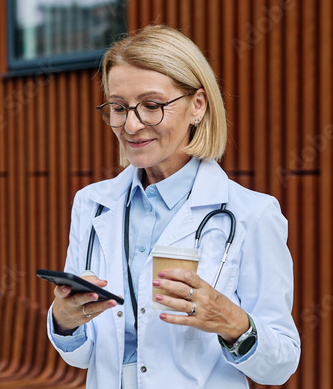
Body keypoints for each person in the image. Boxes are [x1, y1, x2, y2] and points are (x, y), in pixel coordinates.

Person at [47, 25, 300, 389]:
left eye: (151, 105)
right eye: (118, 108)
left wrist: (230, 321)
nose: (131, 125)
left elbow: (281, 365)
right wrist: (64, 319)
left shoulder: (253, 214)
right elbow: (81, 354)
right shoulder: (92, 204)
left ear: (197, 105)